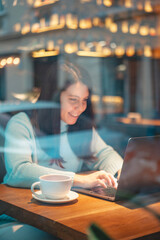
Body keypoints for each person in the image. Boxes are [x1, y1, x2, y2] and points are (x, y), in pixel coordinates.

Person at [1, 62, 123, 239]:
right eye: (73, 100)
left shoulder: (80, 126)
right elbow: (19, 171)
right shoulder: (22, 123)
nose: (80, 108)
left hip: (60, 216)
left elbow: (105, 153)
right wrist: (80, 180)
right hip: (20, 217)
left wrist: (122, 172)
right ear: (54, 98)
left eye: (84, 101)